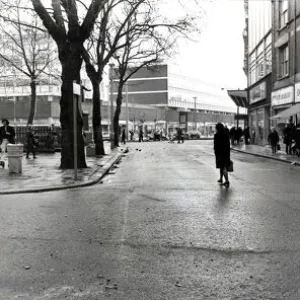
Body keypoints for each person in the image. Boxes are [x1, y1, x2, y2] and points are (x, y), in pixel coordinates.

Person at [214, 123, 231, 188]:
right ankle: (221, 178)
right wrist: (228, 156)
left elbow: (215, 145)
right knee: (222, 166)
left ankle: (227, 181)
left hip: (219, 153)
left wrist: (215, 152)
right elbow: (228, 146)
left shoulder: (216, 135)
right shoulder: (226, 135)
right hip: (225, 153)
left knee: (222, 167)